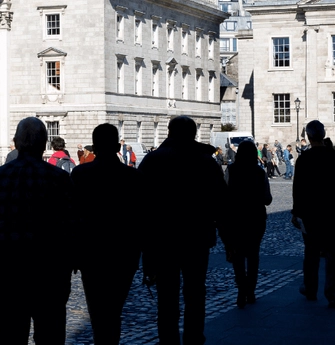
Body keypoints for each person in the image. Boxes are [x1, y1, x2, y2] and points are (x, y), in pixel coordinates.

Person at [0, 117, 74, 345]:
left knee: (12, 337)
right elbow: (72, 228)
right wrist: (71, 264)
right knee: (51, 337)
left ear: (15, 142)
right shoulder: (60, 179)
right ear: (44, 144)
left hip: (9, 271)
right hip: (50, 271)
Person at [138, 116, 227, 344]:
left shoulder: (153, 160)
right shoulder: (206, 161)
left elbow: (141, 206)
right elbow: (221, 203)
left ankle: (168, 339)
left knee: (167, 296)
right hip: (196, 237)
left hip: (163, 239)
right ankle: (193, 337)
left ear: (169, 132)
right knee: (195, 293)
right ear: (193, 134)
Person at [70, 124, 143, 345]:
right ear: (115, 145)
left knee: (97, 309)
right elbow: (140, 217)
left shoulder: (81, 174)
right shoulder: (131, 176)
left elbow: (73, 216)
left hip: (91, 252)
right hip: (124, 252)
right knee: (114, 307)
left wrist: (73, 253)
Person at [291, 120, 335, 309]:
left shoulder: (304, 159)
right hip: (333, 214)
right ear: (323, 134)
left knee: (311, 253)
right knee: (333, 255)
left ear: (308, 137)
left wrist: (296, 213)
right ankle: (332, 294)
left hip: (311, 215)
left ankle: (310, 289)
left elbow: (298, 189)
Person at [220, 140, 272, 309]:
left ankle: (242, 289)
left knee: (238, 256)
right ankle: (251, 290)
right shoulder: (259, 172)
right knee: (253, 255)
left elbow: (224, 193)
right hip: (255, 218)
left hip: (235, 219)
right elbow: (267, 198)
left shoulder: (232, 170)